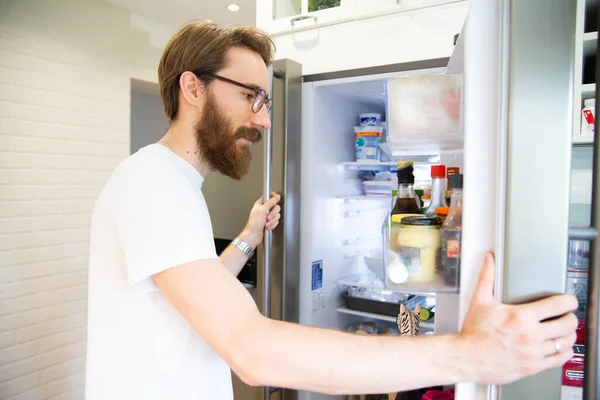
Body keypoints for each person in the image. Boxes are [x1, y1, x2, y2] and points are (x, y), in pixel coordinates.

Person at [85, 21, 579, 400]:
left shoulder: (170, 183)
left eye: (268, 101)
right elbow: (251, 350)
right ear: (193, 88)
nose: (265, 119)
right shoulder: (151, 181)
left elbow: (192, 292)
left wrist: (249, 238)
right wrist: (472, 354)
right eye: (251, 96)